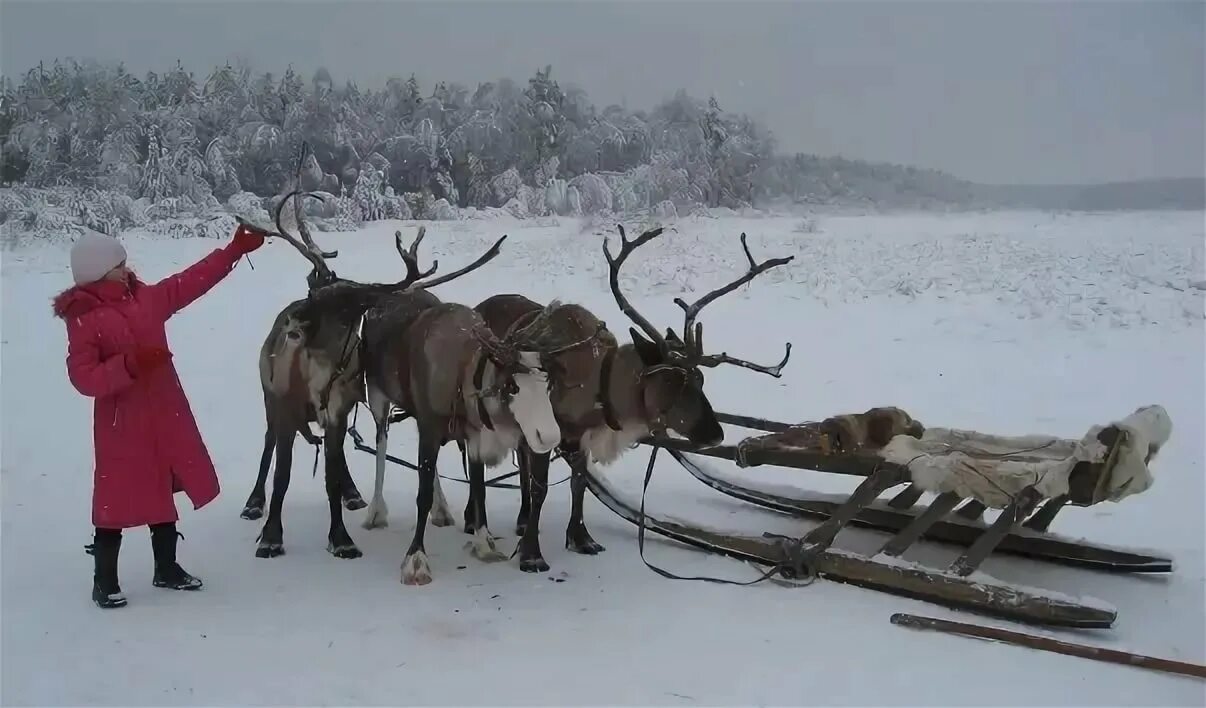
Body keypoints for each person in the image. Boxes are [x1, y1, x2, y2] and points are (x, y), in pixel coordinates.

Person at [52, 224, 268, 609]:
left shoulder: (144, 298)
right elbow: (83, 377)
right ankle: (104, 581)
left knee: (161, 487)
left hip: (165, 413)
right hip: (122, 424)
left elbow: (189, 282)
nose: (125, 268)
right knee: (113, 501)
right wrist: (129, 365)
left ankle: (166, 568)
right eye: (117, 264)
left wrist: (233, 250)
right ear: (97, 272)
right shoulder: (84, 317)